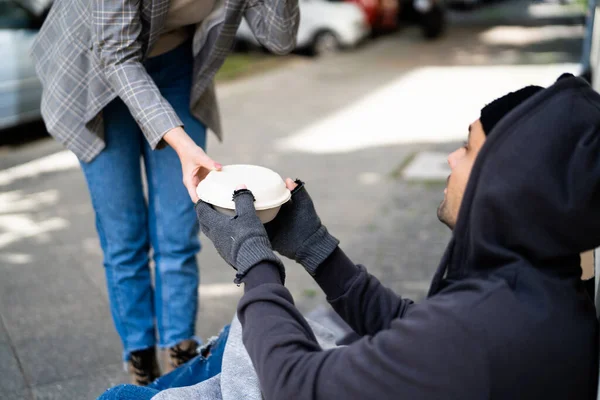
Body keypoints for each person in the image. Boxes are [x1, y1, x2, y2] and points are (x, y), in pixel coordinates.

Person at [193, 74, 600, 399]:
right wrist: (317, 249)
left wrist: (254, 261)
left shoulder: (482, 330)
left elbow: (294, 385)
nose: (451, 158)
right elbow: (416, 332)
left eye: (468, 147)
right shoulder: (544, 289)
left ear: (505, 181)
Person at [30, 0, 299, 385]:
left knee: (179, 229)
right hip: (95, 71)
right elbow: (116, 55)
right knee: (124, 234)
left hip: (175, 67)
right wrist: (182, 144)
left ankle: (180, 357)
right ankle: (140, 357)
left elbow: (280, 38)